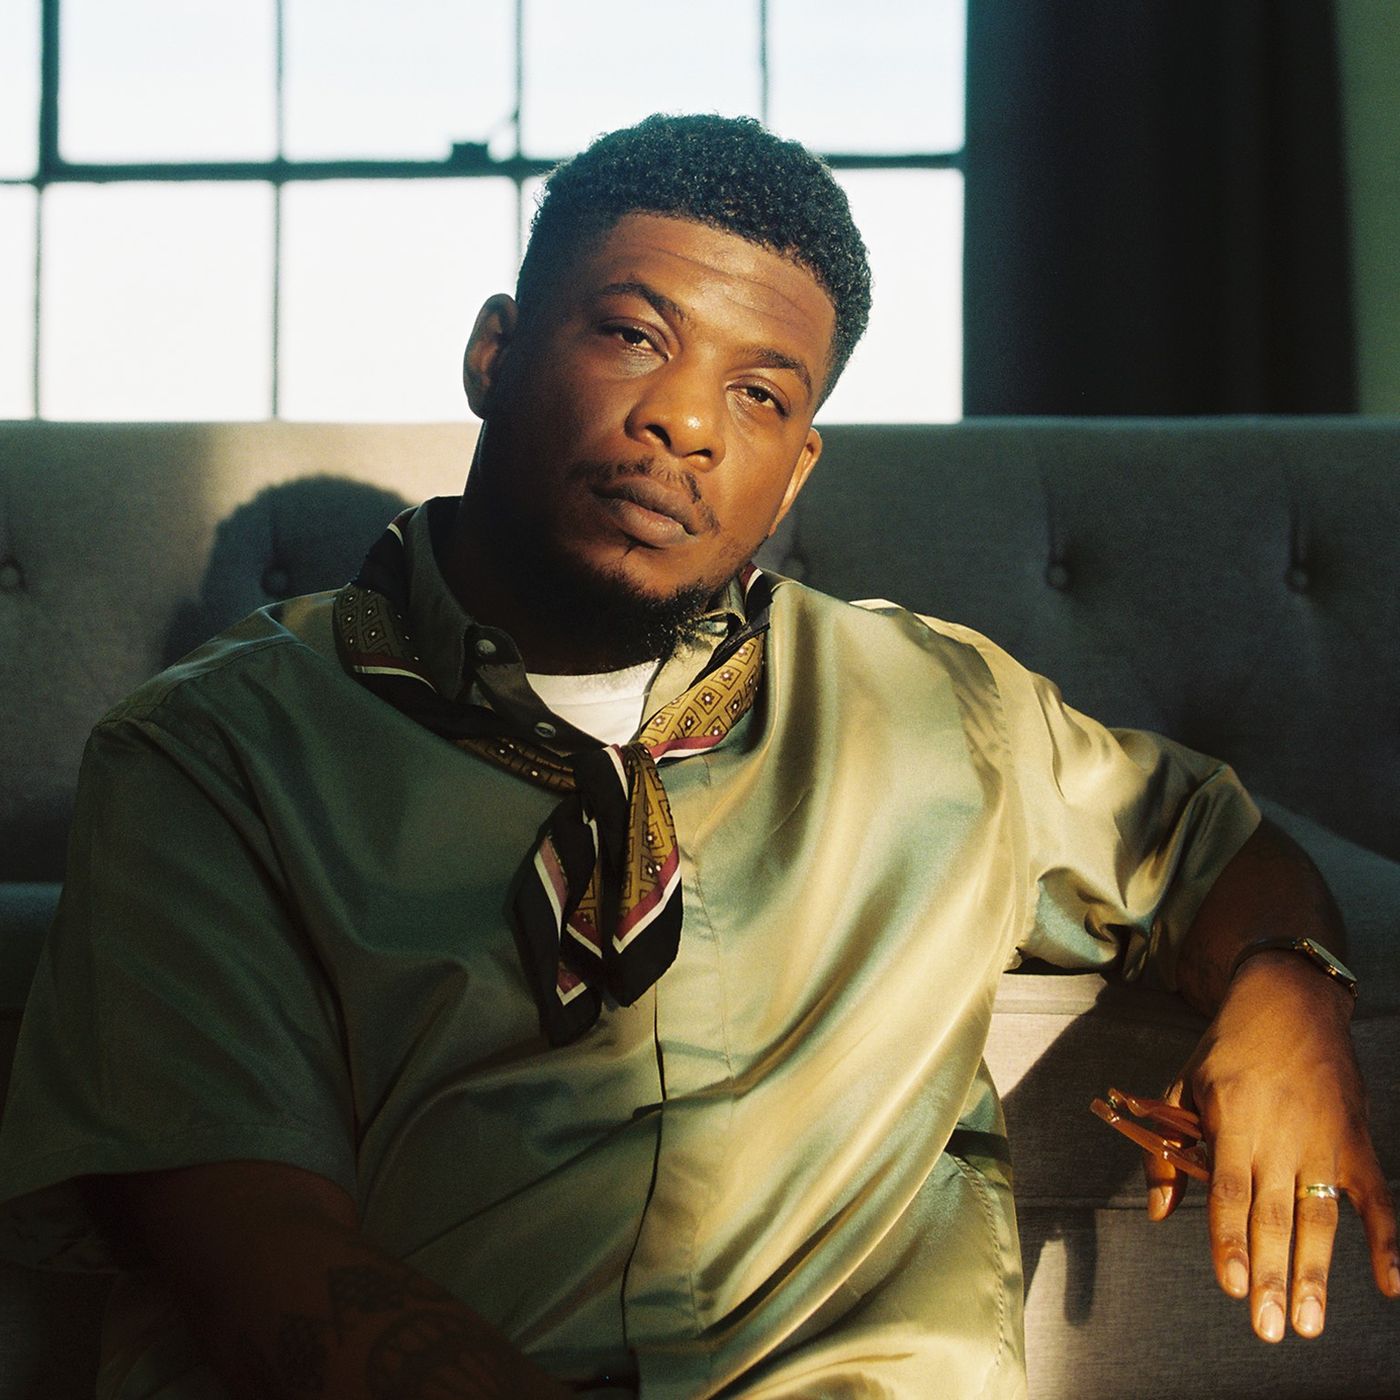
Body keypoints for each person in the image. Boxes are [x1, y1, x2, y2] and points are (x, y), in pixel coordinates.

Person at [0, 113, 1395, 1400]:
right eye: (630, 335)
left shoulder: (936, 709)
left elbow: (1209, 841)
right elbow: (248, 1242)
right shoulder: (212, 754)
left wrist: (1293, 993)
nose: (686, 422)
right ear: (494, 354)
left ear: (794, 474)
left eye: (762, 395)